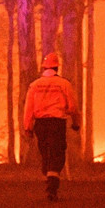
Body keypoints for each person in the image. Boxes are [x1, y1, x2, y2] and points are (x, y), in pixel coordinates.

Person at [22, 52, 79, 201]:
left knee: (45, 152)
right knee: (57, 153)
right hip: (57, 123)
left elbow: (29, 108)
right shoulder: (64, 84)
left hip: (40, 124)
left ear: (43, 68)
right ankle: (52, 186)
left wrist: (27, 127)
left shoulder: (34, 85)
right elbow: (73, 107)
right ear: (57, 68)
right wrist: (76, 123)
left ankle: (48, 176)